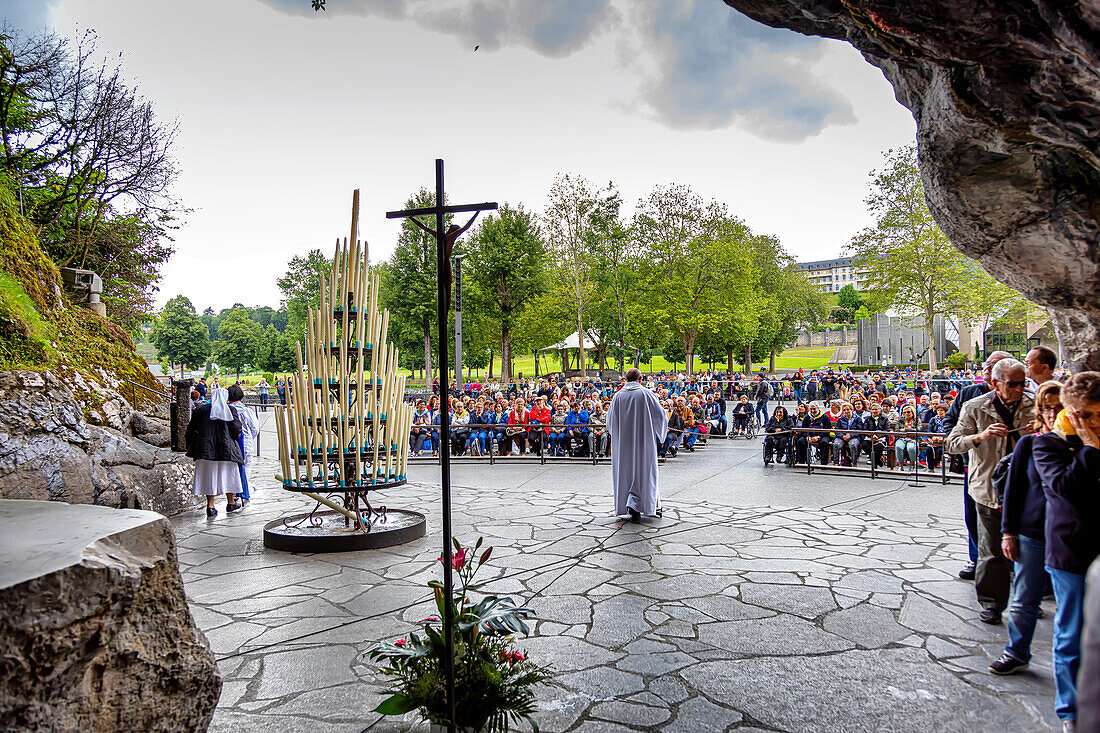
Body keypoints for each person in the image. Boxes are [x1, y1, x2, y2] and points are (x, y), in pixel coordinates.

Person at [1033, 372, 1100, 733]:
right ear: (1072, 413)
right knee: (1071, 632)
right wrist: (1090, 447)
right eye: (1087, 416)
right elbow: (1063, 489)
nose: (1095, 423)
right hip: (1071, 551)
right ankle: (1070, 710)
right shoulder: (1048, 445)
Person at [946, 357, 1035, 625]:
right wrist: (980, 437)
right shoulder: (974, 407)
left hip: (1027, 488)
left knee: (1029, 549)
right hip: (987, 487)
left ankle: (1026, 599)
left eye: (1023, 383)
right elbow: (952, 443)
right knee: (990, 549)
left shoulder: (1034, 405)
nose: (1019, 389)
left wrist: (1040, 432)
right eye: (1013, 384)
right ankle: (992, 603)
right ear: (996, 383)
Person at [990, 380, 1063, 676]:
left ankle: (1069, 660)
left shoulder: (1083, 446)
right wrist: (1008, 532)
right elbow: (1014, 490)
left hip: (1067, 535)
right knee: (1024, 597)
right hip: (1031, 532)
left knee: (1071, 602)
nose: (1052, 414)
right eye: (1046, 408)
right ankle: (1016, 650)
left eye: (1058, 408)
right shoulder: (1029, 444)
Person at [944, 351, 1015, 581]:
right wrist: (967, 439)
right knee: (974, 514)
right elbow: (950, 423)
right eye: (987, 364)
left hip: (1011, 467)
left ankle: (1011, 561)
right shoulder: (969, 395)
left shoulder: (1024, 401)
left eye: (994, 365)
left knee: (1011, 514)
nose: (987, 368)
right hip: (975, 464)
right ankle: (976, 558)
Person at [607, 368, 668, 522]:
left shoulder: (618, 396)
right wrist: (661, 435)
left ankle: (632, 504)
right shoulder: (645, 394)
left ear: (626, 379)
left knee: (627, 473)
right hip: (643, 441)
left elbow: (610, 422)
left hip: (624, 445)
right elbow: (660, 415)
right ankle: (647, 505)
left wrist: (617, 436)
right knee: (646, 472)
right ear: (641, 379)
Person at [185, 387, 244, 518]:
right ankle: (230, 502)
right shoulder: (230, 410)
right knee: (229, 475)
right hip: (226, 449)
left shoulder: (201, 410)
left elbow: (191, 428)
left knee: (209, 476)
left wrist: (191, 446)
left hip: (206, 450)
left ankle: (210, 506)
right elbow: (236, 430)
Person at [227, 385, 258, 503]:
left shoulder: (226, 410)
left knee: (232, 469)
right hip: (245, 443)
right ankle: (243, 491)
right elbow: (254, 428)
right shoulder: (247, 410)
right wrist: (250, 437)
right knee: (246, 467)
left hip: (230, 444)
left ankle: (234, 493)